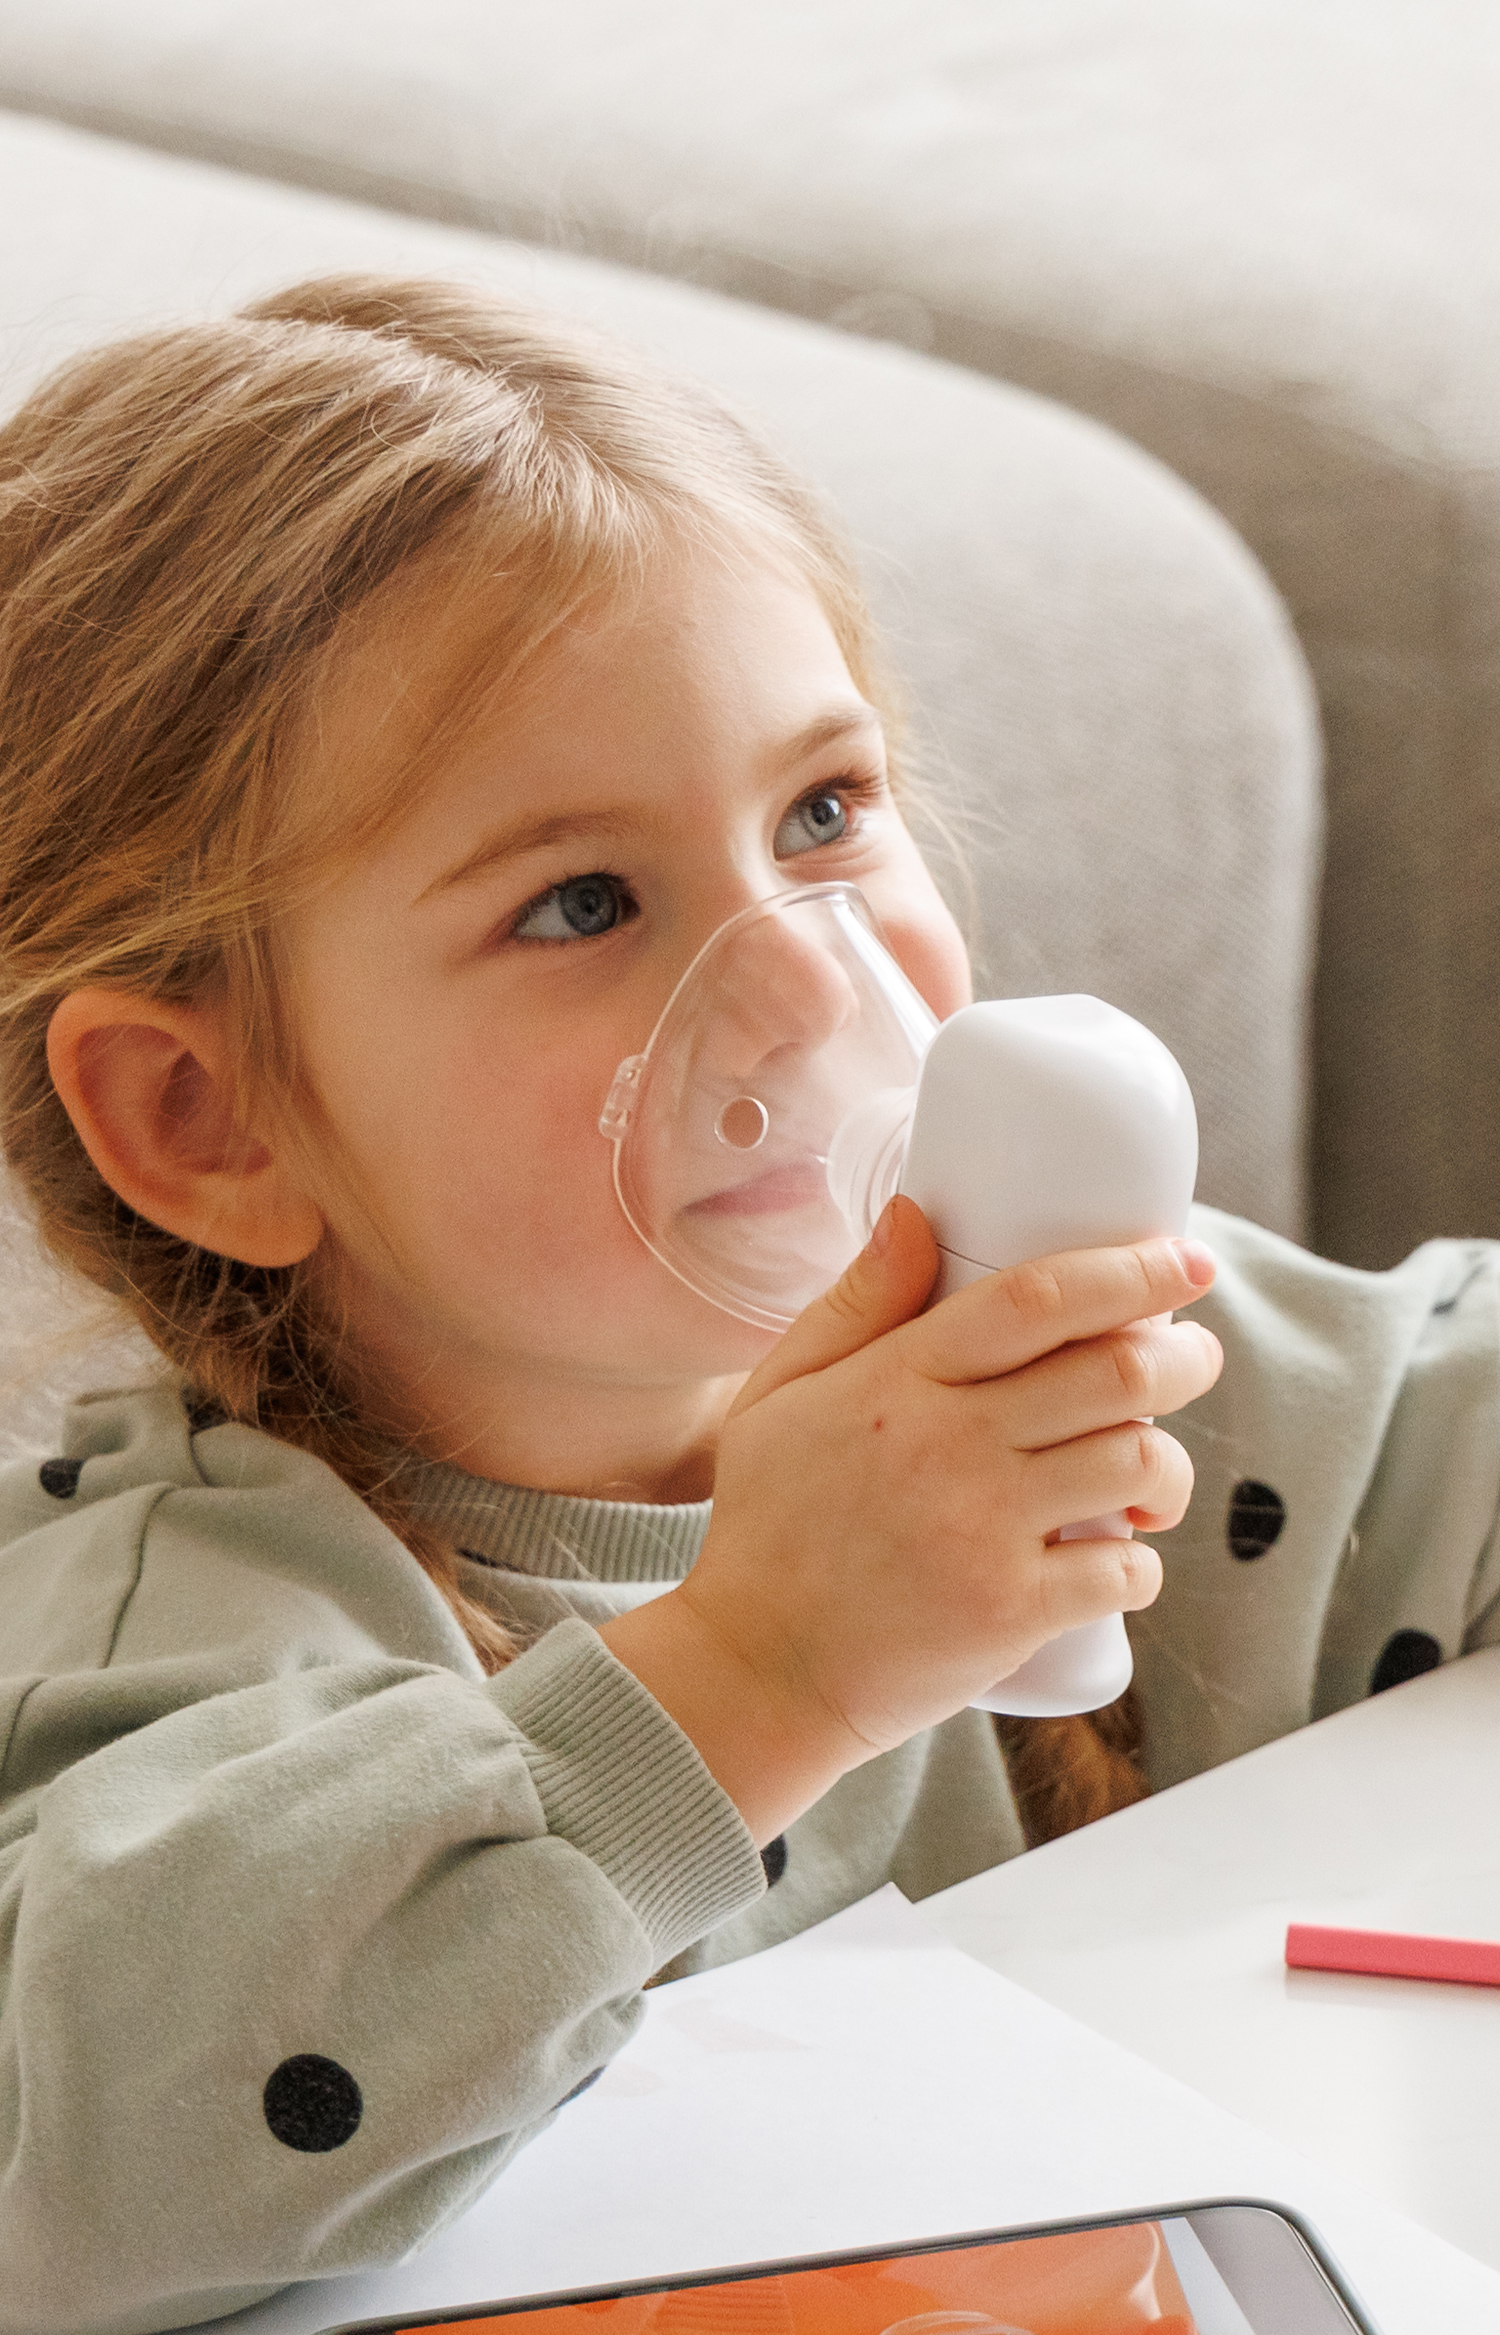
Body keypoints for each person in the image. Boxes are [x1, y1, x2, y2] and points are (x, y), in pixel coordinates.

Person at [0, 277, 1493, 2335]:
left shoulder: (1099, 1365)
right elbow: (104, 2160)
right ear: (208, 1118)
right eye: (582, 903)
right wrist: (772, 1661)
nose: (805, 987)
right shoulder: (202, 1623)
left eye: (823, 814)